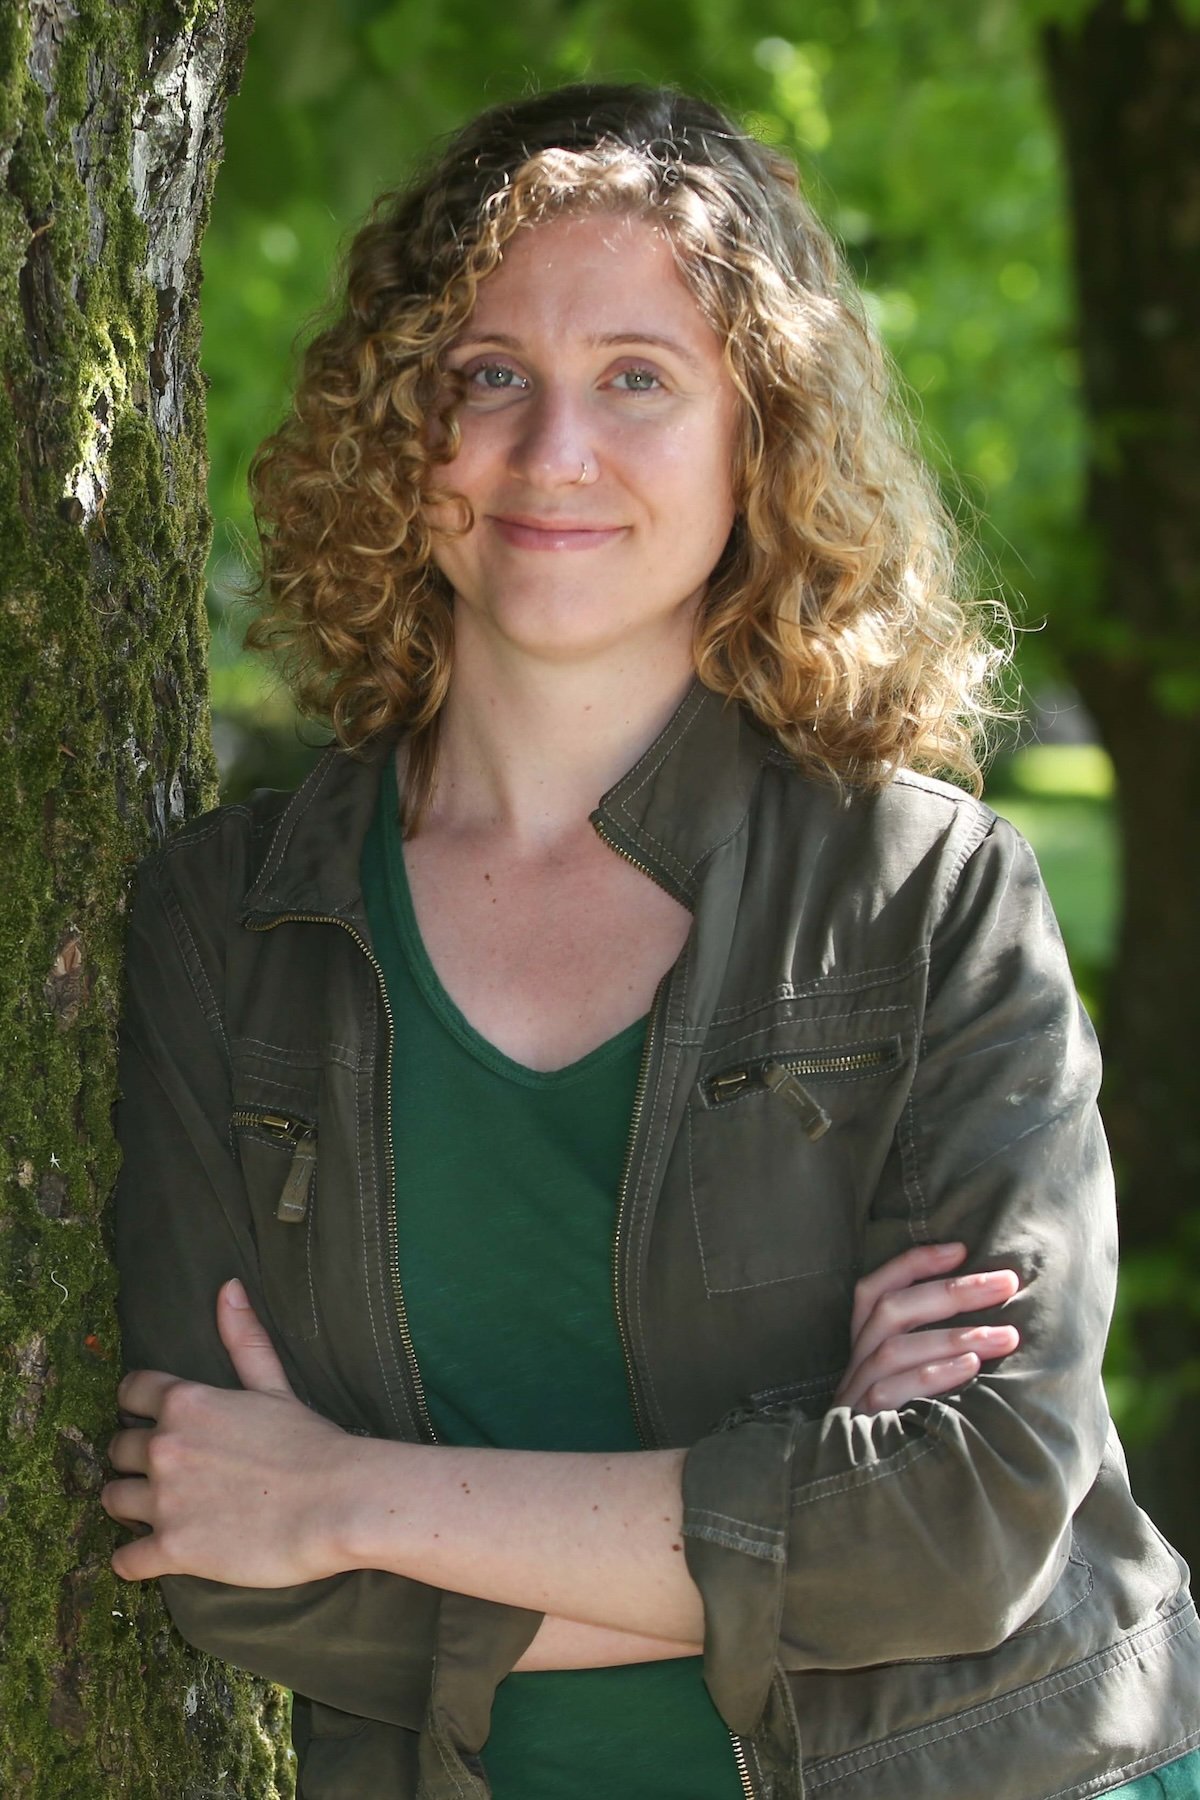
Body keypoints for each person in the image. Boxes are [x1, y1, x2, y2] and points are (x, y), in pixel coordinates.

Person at [103, 83, 1199, 1800]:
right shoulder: (229, 923)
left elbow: (970, 1523)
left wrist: (347, 1492)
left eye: (638, 379)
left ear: (756, 440)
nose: (555, 453)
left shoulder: (927, 893)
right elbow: (221, 1551)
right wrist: (802, 1508)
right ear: (403, 430)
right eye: (488, 377)